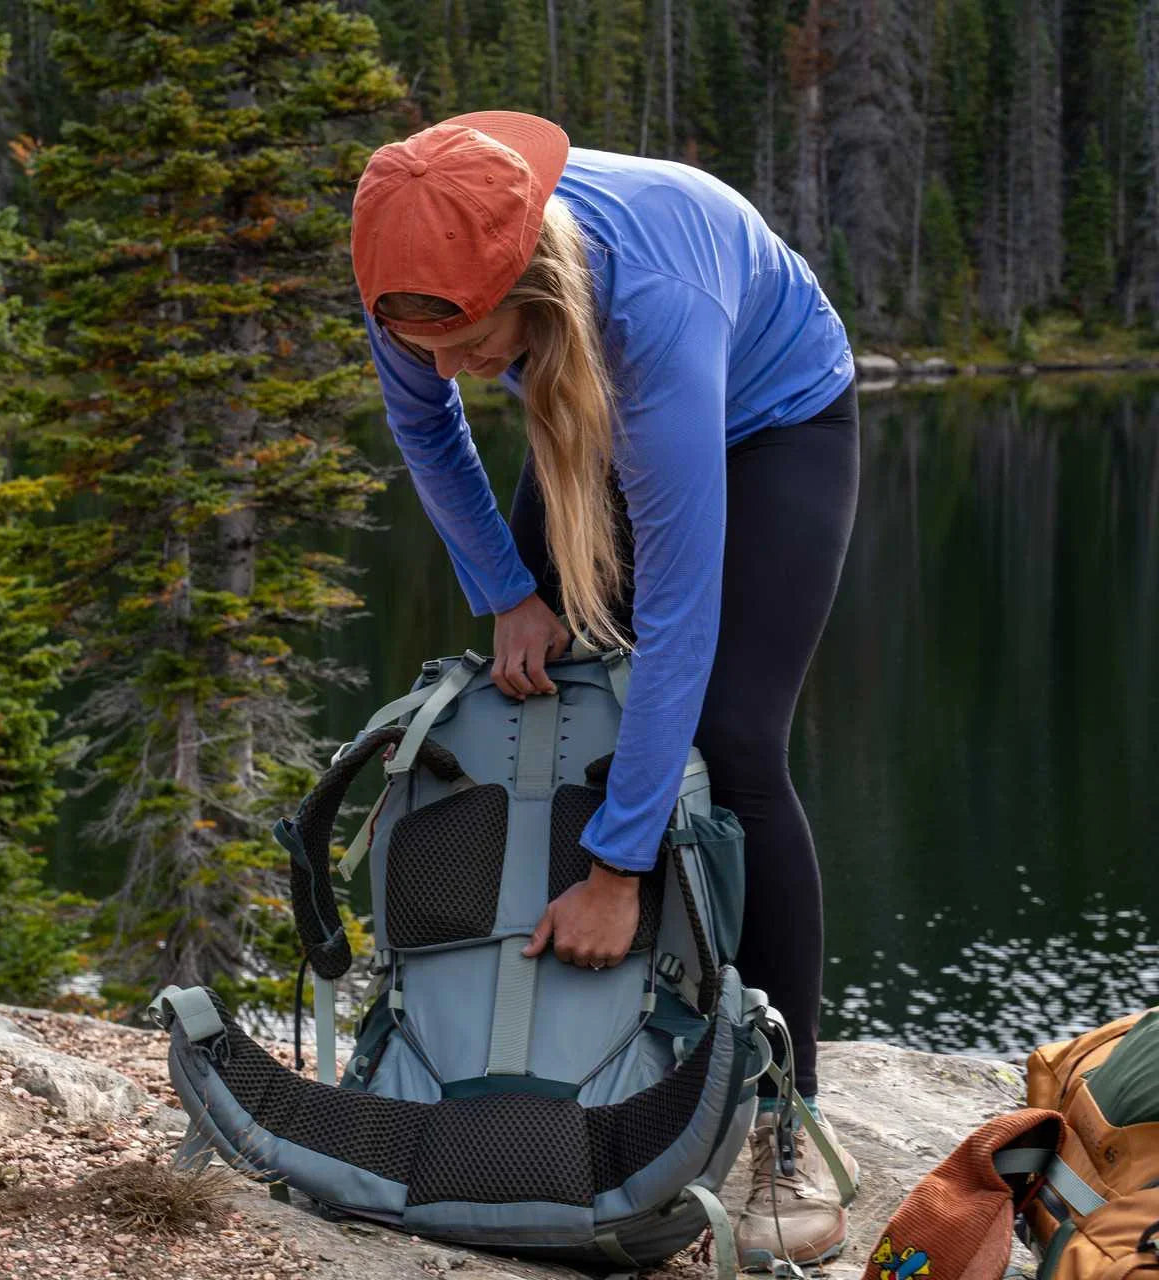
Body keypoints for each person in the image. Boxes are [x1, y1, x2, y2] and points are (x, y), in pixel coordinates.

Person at [350, 110, 861, 1265]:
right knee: (544, 699)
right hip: (578, 382)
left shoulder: (652, 307)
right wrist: (504, 590)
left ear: (525, 285)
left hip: (766, 422)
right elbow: (423, 425)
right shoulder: (409, 251)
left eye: (463, 338)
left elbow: (681, 617)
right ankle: (543, 1065)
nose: (441, 364)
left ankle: (784, 1111)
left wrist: (619, 867)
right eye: (417, 339)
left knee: (734, 744)